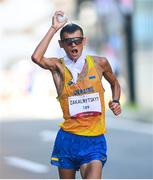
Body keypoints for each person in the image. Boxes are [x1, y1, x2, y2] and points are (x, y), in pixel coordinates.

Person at [31, 11, 121, 179]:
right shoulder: (58, 67)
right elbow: (36, 57)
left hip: (94, 141)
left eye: (77, 41)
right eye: (68, 42)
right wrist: (53, 28)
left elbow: (115, 83)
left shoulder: (100, 63)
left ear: (84, 41)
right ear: (61, 44)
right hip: (68, 141)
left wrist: (116, 100)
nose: (74, 45)